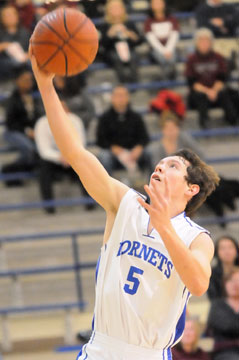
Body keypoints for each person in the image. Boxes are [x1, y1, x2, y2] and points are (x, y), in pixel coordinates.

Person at [30, 46, 220, 360]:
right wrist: (46, 86)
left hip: (148, 354)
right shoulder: (125, 203)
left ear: (191, 189)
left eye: (173, 166)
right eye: (160, 162)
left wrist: (164, 228)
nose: (160, 166)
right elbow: (76, 153)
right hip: (101, 349)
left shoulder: (197, 238)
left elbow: (199, 284)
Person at [34, 100, 93, 213]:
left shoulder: (75, 120)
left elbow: (81, 144)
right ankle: (49, 206)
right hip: (53, 161)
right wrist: (59, 157)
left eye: (61, 109)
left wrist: (69, 156)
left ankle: (90, 202)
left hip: (73, 157)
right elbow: (44, 150)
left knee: (86, 164)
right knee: (43, 168)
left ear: (67, 109)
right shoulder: (42, 124)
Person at [96, 85, 152, 180]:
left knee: (149, 153)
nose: (121, 99)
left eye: (123, 95)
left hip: (134, 153)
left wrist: (138, 148)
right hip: (114, 154)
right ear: (112, 98)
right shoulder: (105, 118)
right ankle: (108, 188)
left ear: (128, 98)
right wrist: (114, 148)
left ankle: (153, 185)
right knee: (104, 156)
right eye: (118, 95)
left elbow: (144, 137)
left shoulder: (136, 117)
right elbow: (101, 140)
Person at [185, 28, 238, 128]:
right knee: (200, 96)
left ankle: (232, 120)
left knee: (225, 93)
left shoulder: (218, 57)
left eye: (207, 41)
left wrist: (213, 90)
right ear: (196, 43)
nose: (204, 43)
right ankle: (204, 123)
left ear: (211, 42)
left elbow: (222, 78)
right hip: (200, 92)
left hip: (216, 90)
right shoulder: (191, 59)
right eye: (201, 41)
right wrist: (208, 91)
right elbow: (192, 82)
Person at [4, 65, 43, 170]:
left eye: (30, 80)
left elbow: (39, 116)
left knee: (42, 149)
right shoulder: (12, 99)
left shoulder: (35, 96)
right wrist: (27, 131)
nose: (29, 82)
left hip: (32, 130)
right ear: (17, 81)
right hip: (14, 131)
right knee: (28, 149)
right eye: (25, 80)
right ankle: (8, 169)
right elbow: (10, 123)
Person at [99, 0, 142, 82]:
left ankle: (134, 82)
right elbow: (102, 45)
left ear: (123, 9)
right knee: (115, 58)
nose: (116, 10)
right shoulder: (105, 24)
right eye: (113, 8)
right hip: (113, 52)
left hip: (129, 50)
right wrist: (109, 35)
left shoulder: (129, 23)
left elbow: (139, 41)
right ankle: (123, 83)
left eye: (118, 8)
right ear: (108, 10)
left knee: (134, 57)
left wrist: (131, 35)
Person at [207, 267, 239, 360]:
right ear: (225, 284)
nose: (235, 284)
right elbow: (223, 325)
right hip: (224, 352)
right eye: (231, 281)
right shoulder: (217, 305)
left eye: (238, 281)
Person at [144, 0, 179, 79]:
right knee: (162, 58)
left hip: (170, 48)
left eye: (159, 3)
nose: (157, 5)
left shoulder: (172, 19)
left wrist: (168, 50)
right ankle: (167, 79)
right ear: (151, 5)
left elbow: (174, 35)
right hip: (156, 49)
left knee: (172, 58)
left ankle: (170, 77)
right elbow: (151, 39)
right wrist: (163, 51)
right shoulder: (148, 21)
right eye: (155, 3)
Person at [0, 4, 30, 80]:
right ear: (1, 18)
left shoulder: (25, 32)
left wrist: (27, 55)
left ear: (17, 17)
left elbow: (32, 51)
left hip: (25, 67)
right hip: (5, 68)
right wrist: (3, 46)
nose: (10, 17)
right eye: (6, 15)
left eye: (12, 15)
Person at [208, 235, 239, 300]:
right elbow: (213, 298)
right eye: (223, 248)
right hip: (221, 308)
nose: (227, 252)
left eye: (230, 247)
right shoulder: (211, 274)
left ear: (236, 251)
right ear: (216, 252)